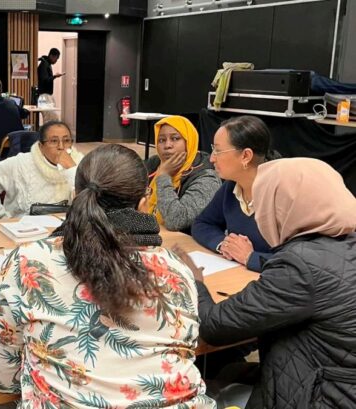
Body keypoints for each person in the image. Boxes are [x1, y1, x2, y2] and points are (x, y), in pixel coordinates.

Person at [0, 144, 214, 408]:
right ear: (142, 203)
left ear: (75, 195)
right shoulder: (177, 269)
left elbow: (1, 379)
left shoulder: (28, 262)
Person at [178, 158, 356, 409]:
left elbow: (213, 326)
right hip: (334, 378)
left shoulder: (301, 265)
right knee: (230, 370)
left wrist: (192, 279)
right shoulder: (344, 243)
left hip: (321, 395)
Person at [191, 116, 277, 272]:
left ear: (246, 156)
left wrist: (250, 257)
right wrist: (224, 244)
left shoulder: (280, 195)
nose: (211, 158)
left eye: (218, 151)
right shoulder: (231, 186)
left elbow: (301, 261)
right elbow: (202, 223)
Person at [0, 121, 83, 219]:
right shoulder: (21, 163)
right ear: (41, 146)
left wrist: (72, 169)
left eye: (66, 140)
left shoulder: (80, 164)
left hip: (66, 232)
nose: (61, 146)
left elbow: (91, 201)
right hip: (23, 232)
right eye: (54, 141)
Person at [144, 115, 221, 233]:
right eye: (161, 140)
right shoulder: (154, 163)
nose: (167, 145)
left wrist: (163, 176)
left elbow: (176, 221)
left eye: (175, 138)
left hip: (184, 245)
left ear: (188, 142)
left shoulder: (206, 177)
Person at [37, 48, 63, 122]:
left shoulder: (47, 64)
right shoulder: (44, 65)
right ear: (52, 56)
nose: (56, 61)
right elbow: (44, 80)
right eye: (56, 58)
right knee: (50, 118)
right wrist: (55, 76)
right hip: (44, 95)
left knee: (50, 118)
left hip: (46, 95)